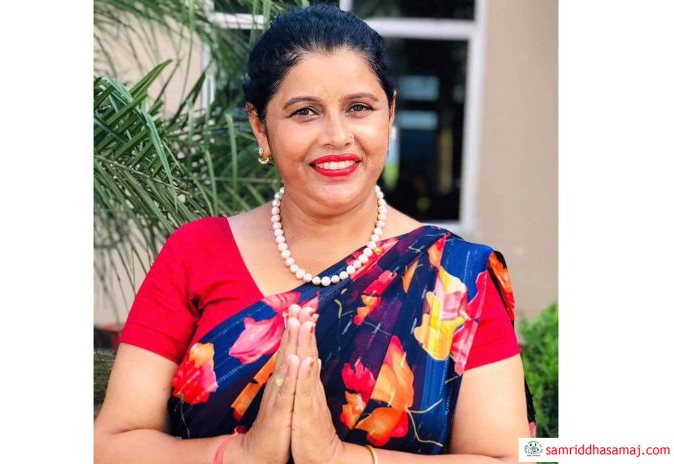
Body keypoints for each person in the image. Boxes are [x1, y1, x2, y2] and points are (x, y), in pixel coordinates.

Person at [94, 5, 536, 463]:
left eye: (359, 108)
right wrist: (244, 454)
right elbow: (110, 443)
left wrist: (336, 457)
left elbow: (506, 458)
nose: (337, 135)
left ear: (390, 113)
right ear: (260, 127)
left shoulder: (456, 277)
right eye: (305, 112)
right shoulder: (197, 254)